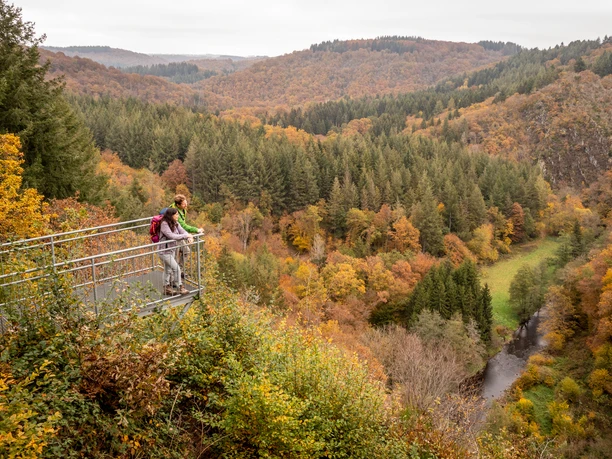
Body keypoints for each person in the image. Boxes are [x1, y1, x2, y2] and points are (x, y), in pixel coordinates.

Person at [158, 207, 192, 295]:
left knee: (168, 269)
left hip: (171, 250)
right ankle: (180, 287)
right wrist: (186, 236)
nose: (177, 216)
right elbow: (171, 236)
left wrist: (188, 235)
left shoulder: (175, 223)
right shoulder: (164, 224)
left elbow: (182, 231)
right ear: (171, 215)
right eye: (176, 214)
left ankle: (166, 288)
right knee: (176, 268)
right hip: (164, 251)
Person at [169, 194, 203, 278]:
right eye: (184, 204)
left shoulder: (182, 210)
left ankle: (178, 271)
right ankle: (174, 276)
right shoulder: (174, 212)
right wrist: (196, 230)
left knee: (186, 251)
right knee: (175, 255)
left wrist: (187, 235)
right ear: (178, 205)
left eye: (186, 202)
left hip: (179, 235)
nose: (186, 205)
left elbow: (181, 227)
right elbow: (182, 226)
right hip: (174, 236)